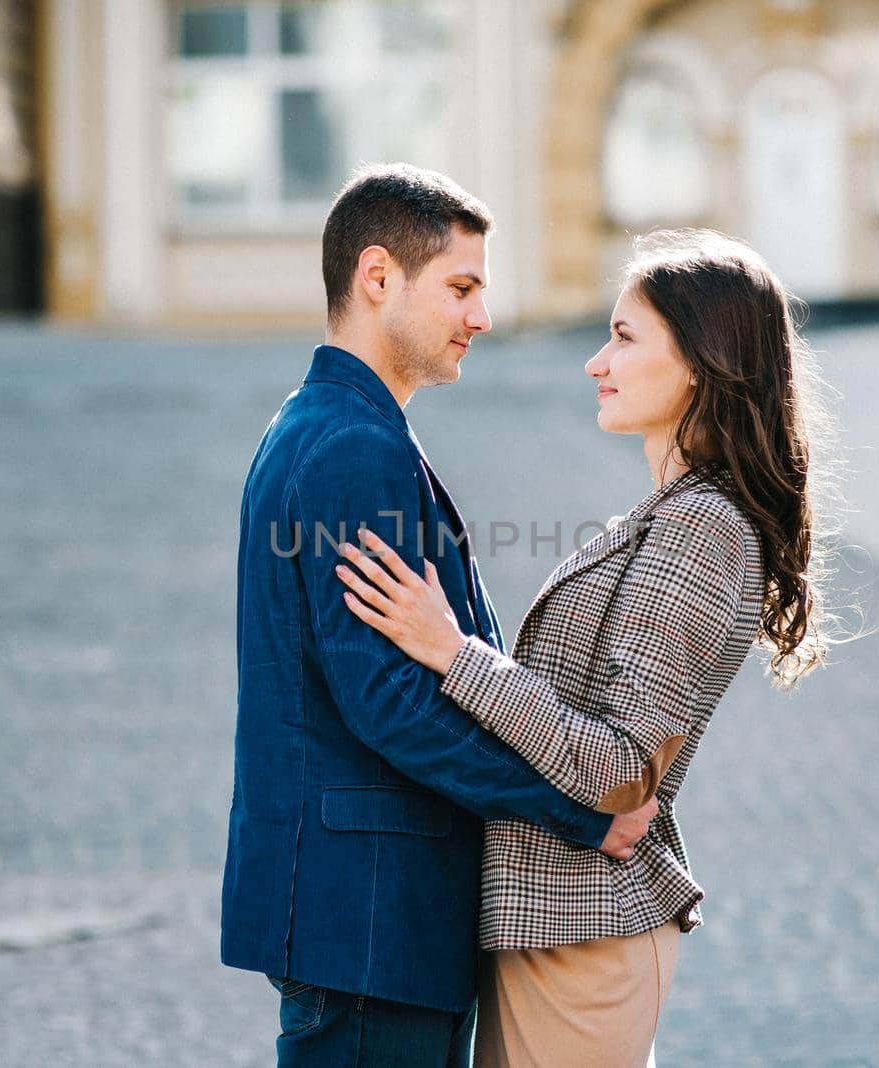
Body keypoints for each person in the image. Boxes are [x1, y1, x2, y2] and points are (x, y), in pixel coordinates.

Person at [336, 228, 840, 1066]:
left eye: (625, 337)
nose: (595, 361)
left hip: (586, 930)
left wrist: (451, 651)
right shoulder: (671, 515)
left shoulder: (701, 530)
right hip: (558, 927)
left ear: (701, 363)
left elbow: (621, 770)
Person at [219, 163, 658, 1067]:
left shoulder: (320, 426)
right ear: (377, 277)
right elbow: (388, 703)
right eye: (461, 287)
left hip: (365, 919)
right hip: (372, 917)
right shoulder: (351, 449)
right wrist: (578, 809)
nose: (481, 317)